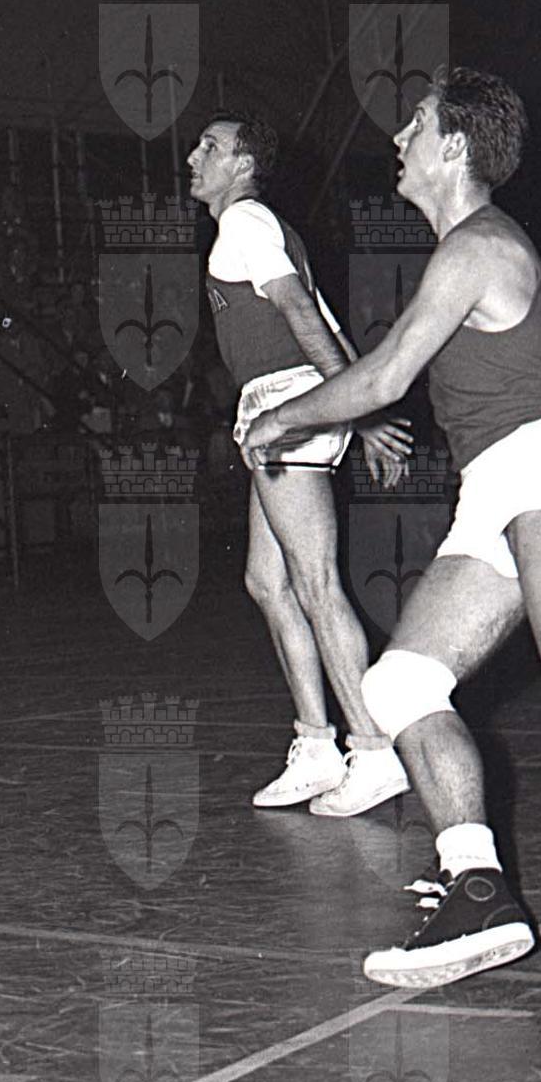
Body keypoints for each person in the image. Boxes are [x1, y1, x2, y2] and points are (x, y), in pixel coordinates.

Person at [242, 69, 541, 989]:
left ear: (452, 147)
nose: (396, 139)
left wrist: (282, 418)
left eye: (413, 124)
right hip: (500, 486)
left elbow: (383, 378)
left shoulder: (477, 248)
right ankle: (476, 887)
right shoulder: (490, 250)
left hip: (538, 474)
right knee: (400, 683)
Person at [185, 110, 414, 817]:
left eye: (210, 147)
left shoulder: (244, 220)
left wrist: (357, 408)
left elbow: (300, 315)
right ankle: (317, 747)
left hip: (288, 403)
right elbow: (327, 318)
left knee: (314, 581)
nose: (194, 156)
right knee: (267, 580)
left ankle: (374, 752)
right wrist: (356, 402)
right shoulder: (265, 228)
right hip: (285, 402)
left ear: (243, 165)